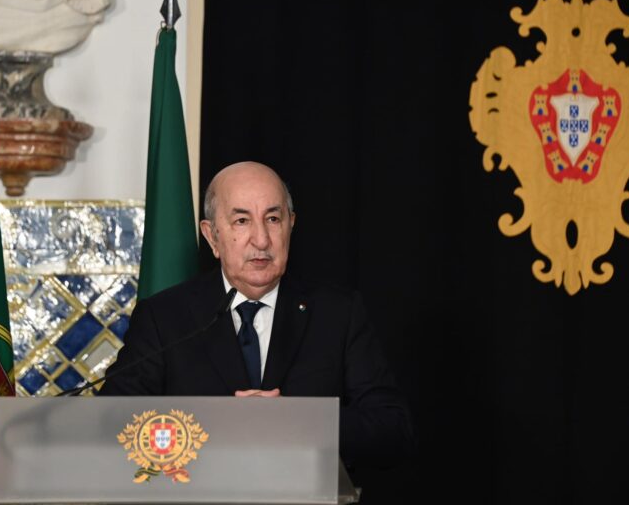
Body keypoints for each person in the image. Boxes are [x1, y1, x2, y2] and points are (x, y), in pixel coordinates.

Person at [99, 161, 413, 467]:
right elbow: (113, 420)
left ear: (291, 225)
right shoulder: (165, 317)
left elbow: (392, 427)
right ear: (212, 236)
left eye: (273, 219)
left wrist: (302, 422)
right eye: (241, 221)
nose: (261, 239)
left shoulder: (337, 313)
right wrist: (212, 425)